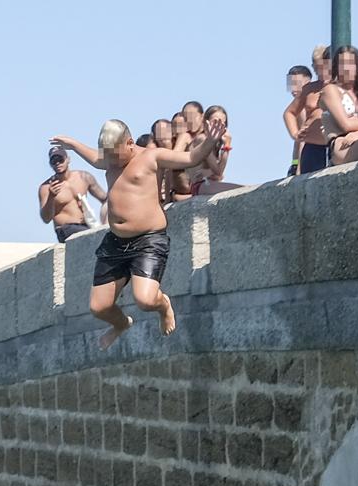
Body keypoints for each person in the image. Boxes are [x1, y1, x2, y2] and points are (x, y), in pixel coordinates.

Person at [49, 115, 227, 349]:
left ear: (130, 143)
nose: (111, 161)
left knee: (145, 300)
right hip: (116, 242)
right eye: (108, 155)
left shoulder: (151, 157)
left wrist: (210, 141)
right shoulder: (110, 160)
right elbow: (94, 158)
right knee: (99, 307)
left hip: (148, 240)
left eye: (115, 154)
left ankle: (163, 305)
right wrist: (72, 144)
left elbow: (191, 157)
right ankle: (121, 324)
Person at [39, 146, 108, 243]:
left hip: (86, 226)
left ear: (68, 159)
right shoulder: (46, 187)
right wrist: (51, 197)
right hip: (65, 229)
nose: (57, 163)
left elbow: (106, 199)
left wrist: (105, 225)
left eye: (60, 159)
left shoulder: (83, 177)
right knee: (94, 238)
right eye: (53, 161)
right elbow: (46, 219)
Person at [319, 45, 358, 165]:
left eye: (351, 63)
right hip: (342, 145)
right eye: (342, 64)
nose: (346, 68)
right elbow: (346, 125)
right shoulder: (331, 90)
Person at [284, 46, 332, 173]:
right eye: (316, 67)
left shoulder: (342, 87)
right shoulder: (309, 89)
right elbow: (289, 113)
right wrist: (295, 134)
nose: (320, 71)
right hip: (312, 147)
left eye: (323, 66)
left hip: (335, 145)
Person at [284, 65, 313, 175]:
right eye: (291, 84)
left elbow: (303, 140)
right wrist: (294, 164)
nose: (293, 89)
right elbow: (298, 142)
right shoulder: (296, 108)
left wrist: (299, 169)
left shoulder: (304, 108)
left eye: (297, 84)